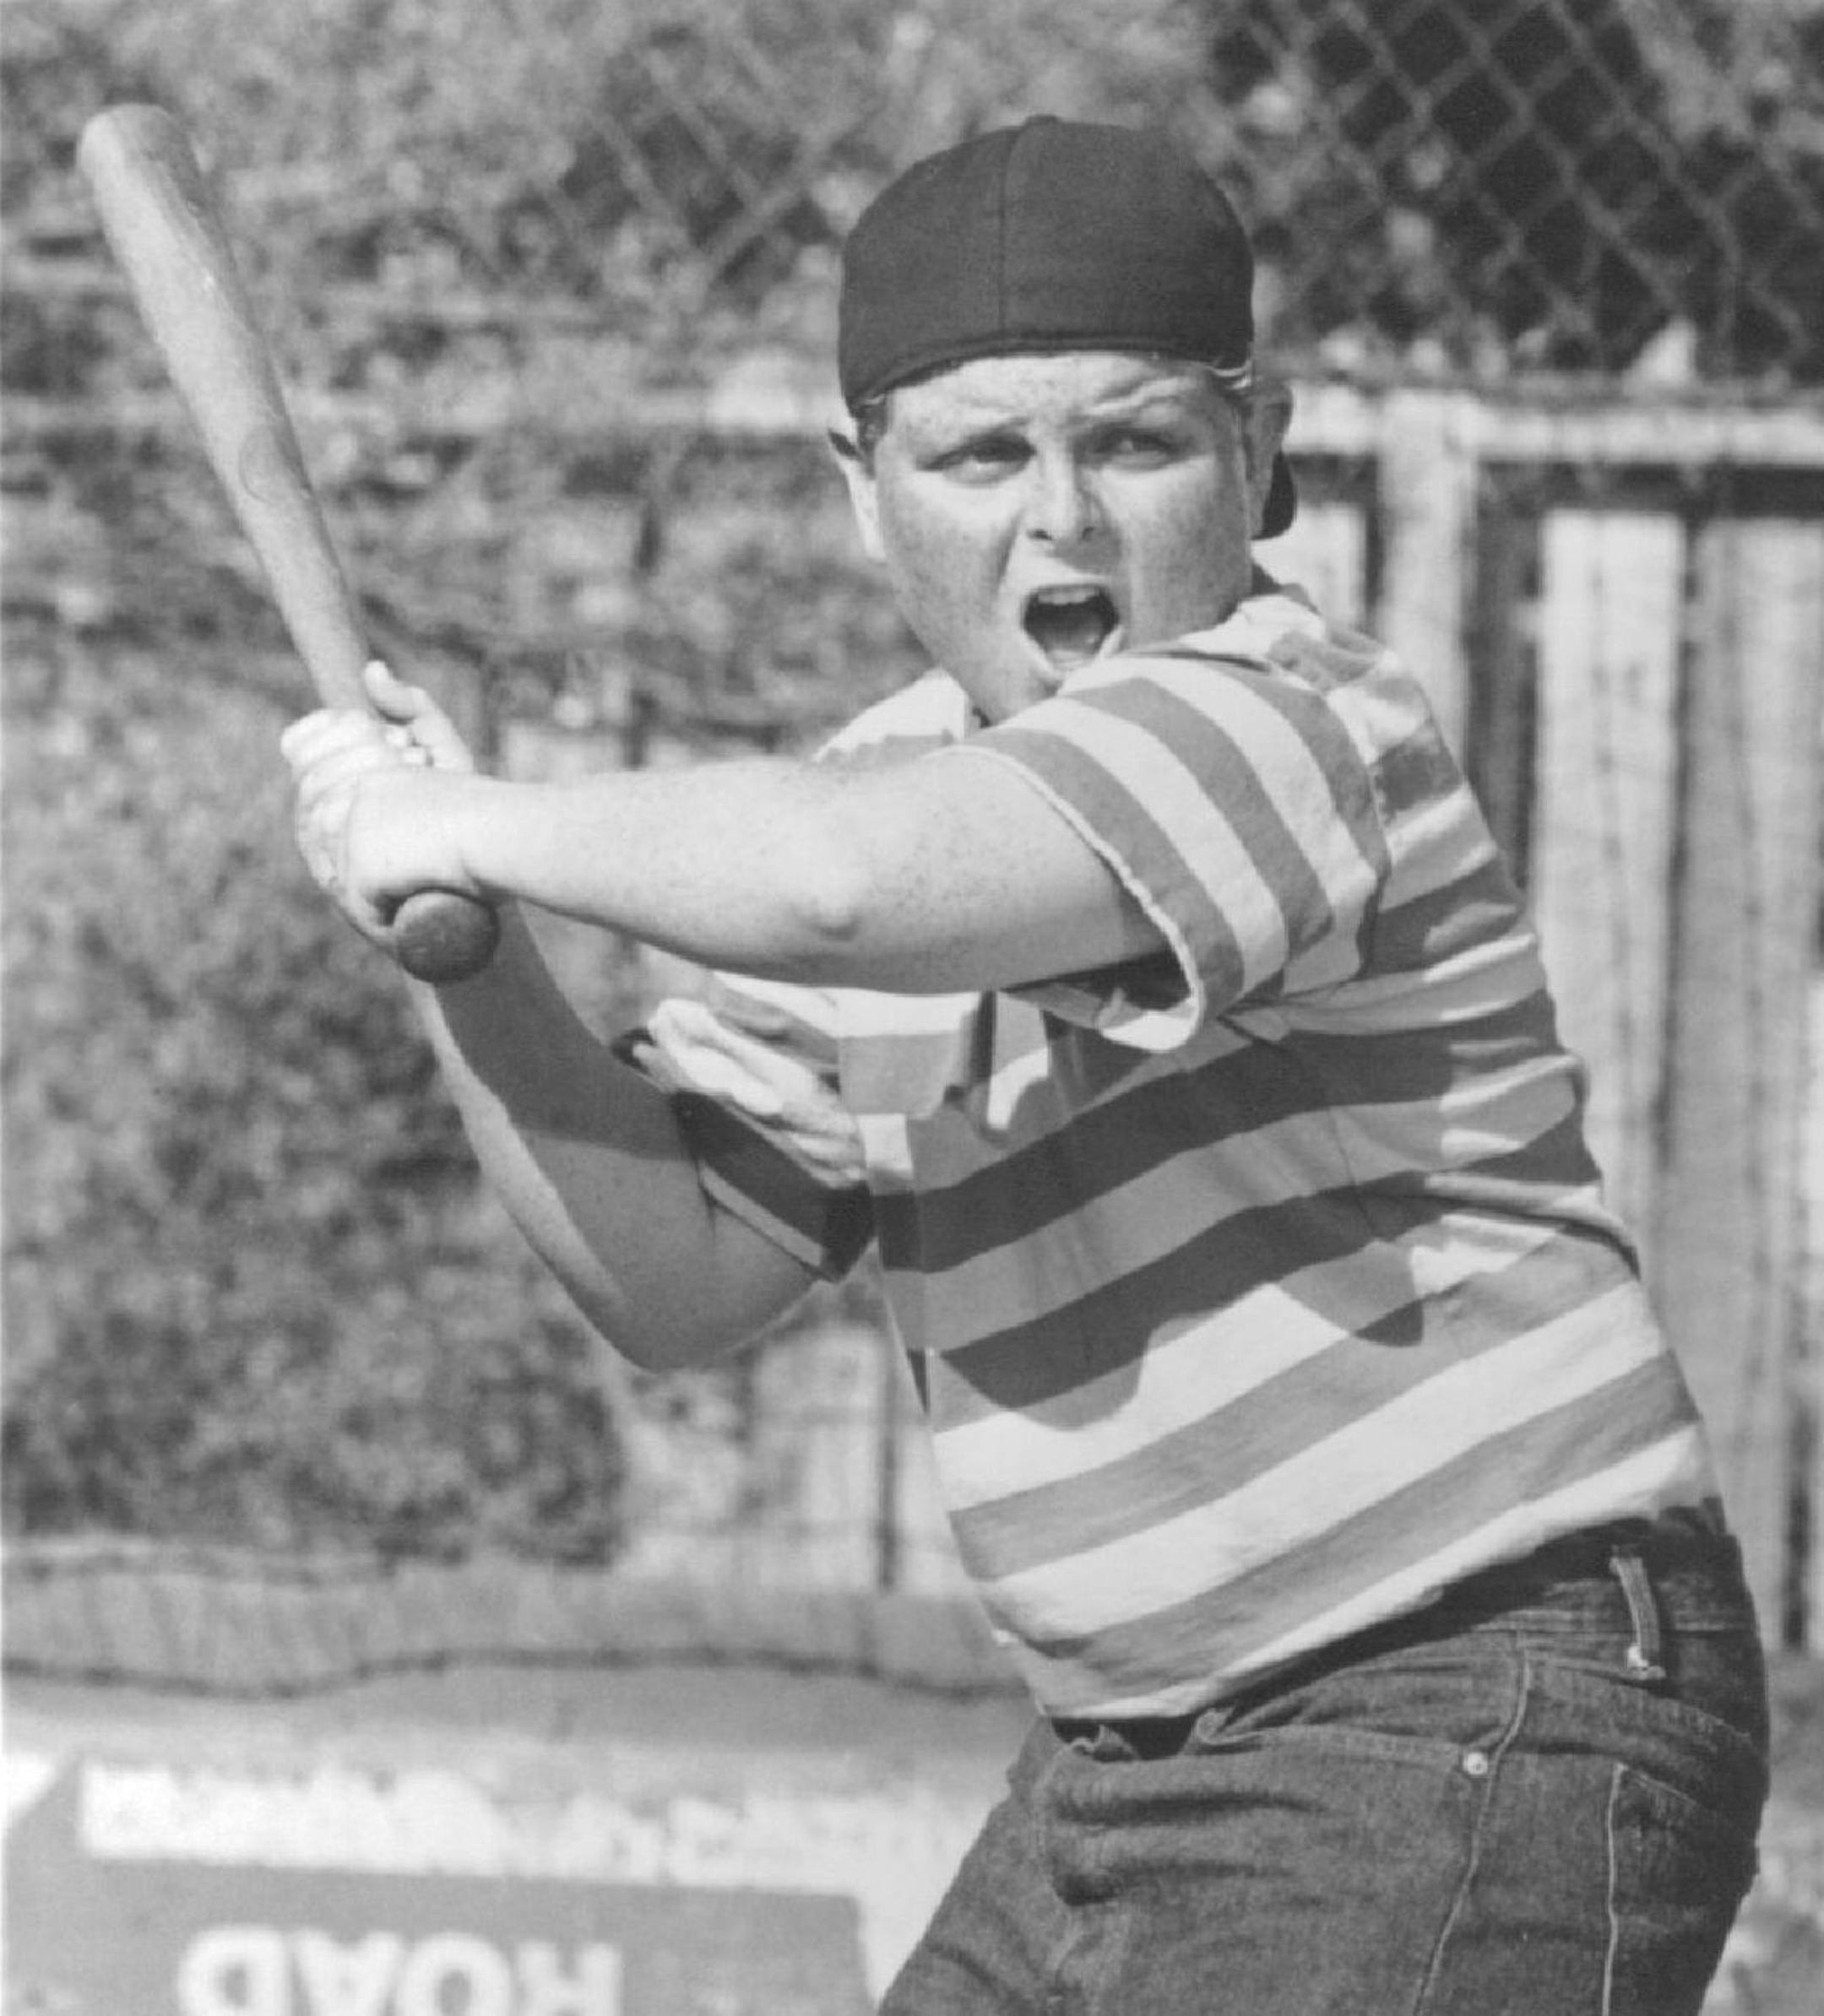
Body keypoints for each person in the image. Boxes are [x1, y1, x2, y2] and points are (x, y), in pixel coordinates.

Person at [283, 117, 1768, 2015]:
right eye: (982, 452)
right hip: (1122, 1758)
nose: (1060, 517)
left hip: (1462, 1691)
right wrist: (462, 955)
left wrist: (467, 818)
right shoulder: (873, 801)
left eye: (1134, 441)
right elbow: (678, 1277)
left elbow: (838, 898)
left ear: (1262, 453)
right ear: (863, 487)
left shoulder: (1284, 720)